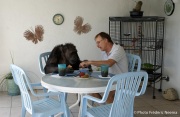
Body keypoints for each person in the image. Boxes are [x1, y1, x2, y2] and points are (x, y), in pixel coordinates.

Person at [80, 32, 128, 103]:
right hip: (109, 78)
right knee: (90, 87)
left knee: (109, 95)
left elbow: (109, 63)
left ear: (106, 40)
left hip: (120, 80)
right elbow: (103, 65)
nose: (97, 45)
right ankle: (104, 104)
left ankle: (108, 109)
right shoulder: (104, 52)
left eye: (98, 42)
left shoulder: (118, 49)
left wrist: (90, 62)